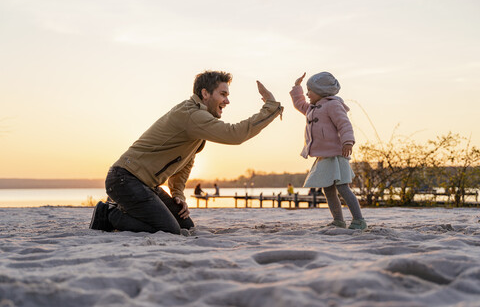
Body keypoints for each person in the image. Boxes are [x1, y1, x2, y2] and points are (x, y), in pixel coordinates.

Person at [90, 70, 283, 234]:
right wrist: (270, 108)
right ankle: (109, 214)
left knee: (186, 226)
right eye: (223, 94)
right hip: (125, 179)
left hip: (145, 184)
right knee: (169, 231)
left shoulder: (199, 119)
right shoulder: (192, 115)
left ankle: (121, 208)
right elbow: (235, 135)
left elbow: (185, 163)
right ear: (205, 93)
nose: (227, 101)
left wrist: (178, 195)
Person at [289, 72, 367, 230]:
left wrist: (348, 142)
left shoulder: (333, 105)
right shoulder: (312, 108)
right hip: (323, 156)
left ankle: (359, 220)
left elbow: (344, 124)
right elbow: (299, 104)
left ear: (321, 91)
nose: (307, 94)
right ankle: (338, 220)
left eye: (309, 90)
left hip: (336, 155)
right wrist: (296, 87)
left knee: (343, 188)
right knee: (328, 190)